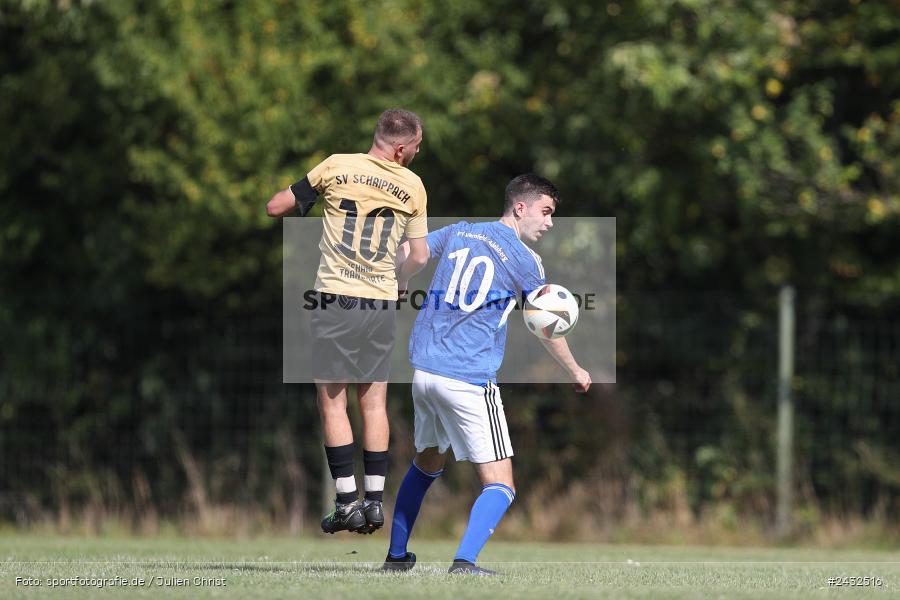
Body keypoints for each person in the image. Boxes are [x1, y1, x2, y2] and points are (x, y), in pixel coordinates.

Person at [383, 174, 591, 575]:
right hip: (468, 378)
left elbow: (412, 251)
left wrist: (401, 281)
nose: (549, 222)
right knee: (501, 484)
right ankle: (465, 562)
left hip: (424, 372)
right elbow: (546, 325)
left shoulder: (461, 231)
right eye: (545, 212)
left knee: (426, 464)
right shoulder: (526, 262)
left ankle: (395, 556)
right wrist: (576, 368)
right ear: (519, 207)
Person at [266, 109, 429, 535]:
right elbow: (420, 256)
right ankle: (375, 503)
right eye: (415, 148)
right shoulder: (412, 185)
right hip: (378, 305)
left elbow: (275, 205)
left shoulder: (337, 166)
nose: (415, 154)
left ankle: (345, 503)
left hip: (335, 299)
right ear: (400, 148)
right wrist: (399, 281)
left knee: (332, 402)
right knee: (373, 403)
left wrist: (311, 200)